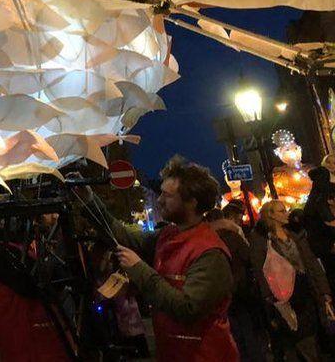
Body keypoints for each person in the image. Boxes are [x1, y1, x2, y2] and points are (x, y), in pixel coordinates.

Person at [84, 155, 239, 361]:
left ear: (192, 202)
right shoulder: (167, 235)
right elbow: (123, 235)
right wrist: (88, 199)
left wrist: (139, 269)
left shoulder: (210, 252)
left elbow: (187, 309)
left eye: (167, 195)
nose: (159, 200)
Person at [250, 200, 334, 361]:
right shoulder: (262, 240)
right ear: (271, 215)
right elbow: (262, 271)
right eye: (281, 211)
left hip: (305, 291)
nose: (286, 213)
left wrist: (324, 291)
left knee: (310, 334)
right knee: (296, 337)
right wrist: (269, 298)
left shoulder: (293, 235)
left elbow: (311, 263)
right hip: (284, 296)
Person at [205, 208, 266, 361]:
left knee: (232, 327)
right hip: (241, 287)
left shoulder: (207, 239)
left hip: (221, 289)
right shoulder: (234, 235)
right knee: (246, 325)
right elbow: (248, 257)